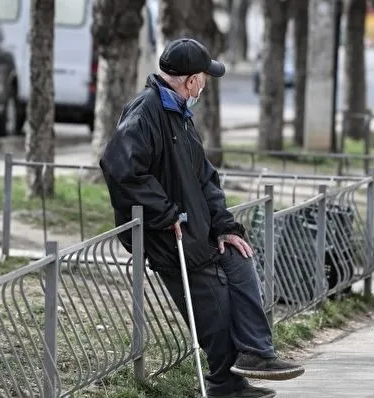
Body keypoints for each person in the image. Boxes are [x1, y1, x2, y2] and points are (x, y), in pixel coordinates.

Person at [99, 38, 304, 398]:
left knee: (240, 259)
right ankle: (225, 385)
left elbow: (205, 176)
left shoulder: (179, 113)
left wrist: (225, 226)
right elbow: (121, 167)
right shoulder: (146, 111)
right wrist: (162, 212)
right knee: (216, 311)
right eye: (204, 77)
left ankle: (257, 353)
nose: (206, 84)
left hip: (200, 228)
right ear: (191, 81)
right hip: (171, 234)